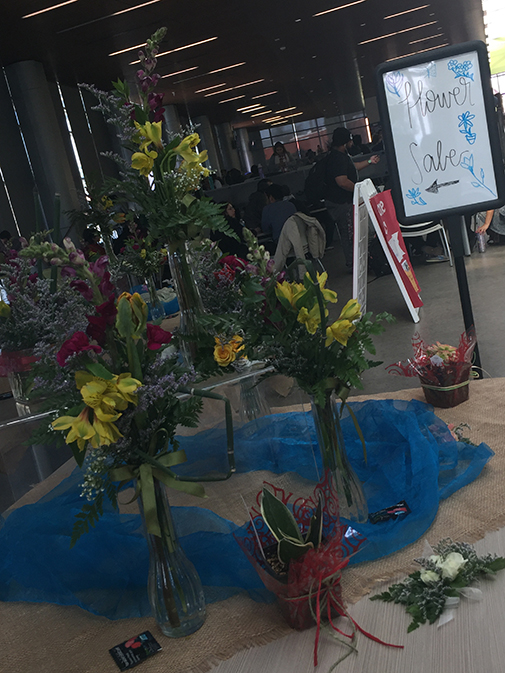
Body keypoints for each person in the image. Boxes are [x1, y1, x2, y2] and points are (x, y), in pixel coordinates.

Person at [325, 127, 380, 271]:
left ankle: (357, 262)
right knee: (349, 233)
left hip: (341, 201)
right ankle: (353, 263)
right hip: (341, 202)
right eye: (349, 140)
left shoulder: (339, 156)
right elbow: (342, 181)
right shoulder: (338, 158)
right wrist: (358, 190)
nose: (352, 142)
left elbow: (352, 167)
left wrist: (369, 161)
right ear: (345, 142)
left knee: (352, 231)